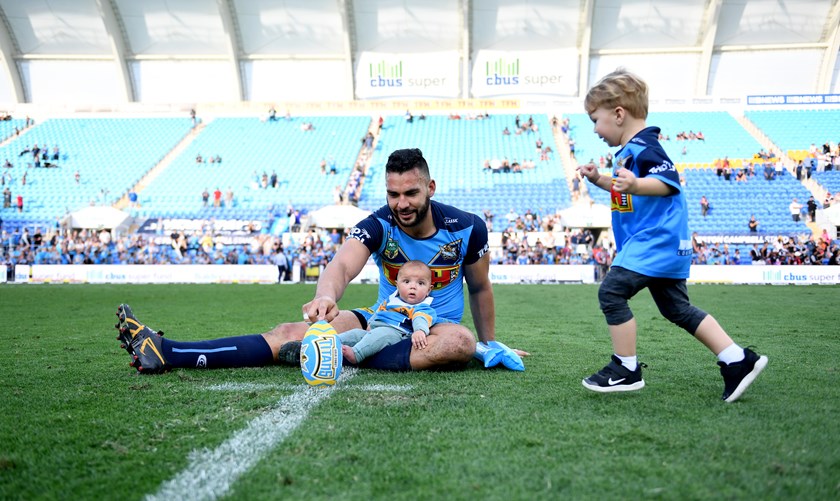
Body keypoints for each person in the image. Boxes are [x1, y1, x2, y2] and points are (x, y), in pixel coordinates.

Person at [113, 148, 528, 374]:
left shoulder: (467, 227)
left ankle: (335, 353)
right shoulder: (380, 223)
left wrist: (490, 344)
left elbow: (480, 287)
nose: (401, 204)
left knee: (460, 343)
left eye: (411, 194)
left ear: (430, 188)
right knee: (291, 330)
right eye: (393, 194)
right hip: (383, 318)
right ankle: (166, 350)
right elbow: (342, 265)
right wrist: (325, 297)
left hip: (432, 328)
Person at [576, 68, 767, 402]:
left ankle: (626, 368)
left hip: (655, 242)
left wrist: (634, 183)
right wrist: (600, 180)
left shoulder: (645, 147)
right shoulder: (629, 152)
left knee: (612, 293)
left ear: (618, 114)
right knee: (677, 309)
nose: (594, 129)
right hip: (660, 245)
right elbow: (630, 190)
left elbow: (666, 183)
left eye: (596, 119)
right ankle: (737, 359)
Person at [338, 260, 436, 364]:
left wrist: (419, 330)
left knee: (380, 335)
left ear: (428, 290)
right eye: (407, 282)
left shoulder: (422, 307)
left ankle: (356, 354)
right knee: (356, 334)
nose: (413, 286)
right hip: (375, 329)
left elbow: (420, 318)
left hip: (397, 333)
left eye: (420, 283)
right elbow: (379, 311)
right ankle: (333, 341)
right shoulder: (391, 300)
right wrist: (370, 323)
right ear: (397, 285)